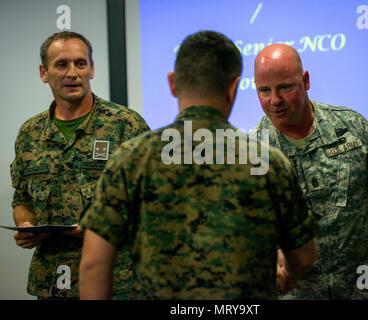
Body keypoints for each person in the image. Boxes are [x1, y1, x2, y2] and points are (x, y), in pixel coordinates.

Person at [79, 30, 318, 299]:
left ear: (172, 84)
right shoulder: (268, 162)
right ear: (233, 87)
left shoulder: (131, 159)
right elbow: (304, 257)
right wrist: (288, 274)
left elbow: (93, 265)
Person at [251, 44, 368, 300]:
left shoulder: (353, 128)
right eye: (264, 90)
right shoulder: (253, 153)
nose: (275, 100)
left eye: (285, 87)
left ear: (305, 81)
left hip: (364, 288)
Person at [10, 31, 150, 299]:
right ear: (44, 72)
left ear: (92, 69)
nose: (72, 73)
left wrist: (103, 225)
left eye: (80, 63)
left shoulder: (126, 125)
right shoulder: (29, 133)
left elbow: (153, 200)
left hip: (117, 281)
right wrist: (26, 224)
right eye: (62, 64)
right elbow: (22, 198)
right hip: (52, 282)